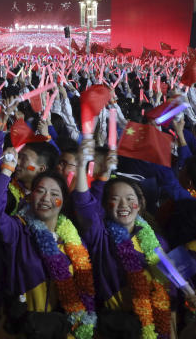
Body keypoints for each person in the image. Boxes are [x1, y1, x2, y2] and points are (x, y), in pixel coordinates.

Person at [0, 148, 97, 338]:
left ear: (63, 201)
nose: (46, 199)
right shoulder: (17, 231)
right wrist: (7, 169)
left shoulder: (75, 242)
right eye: (40, 191)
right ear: (31, 196)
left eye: (54, 194)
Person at [72, 138, 174, 339]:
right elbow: (84, 204)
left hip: (152, 328)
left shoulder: (158, 242)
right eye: (115, 199)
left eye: (129, 199)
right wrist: (82, 165)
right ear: (106, 206)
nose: (123, 205)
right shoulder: (100, 235)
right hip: (111, 326)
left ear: (140, 203)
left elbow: (170, 290)